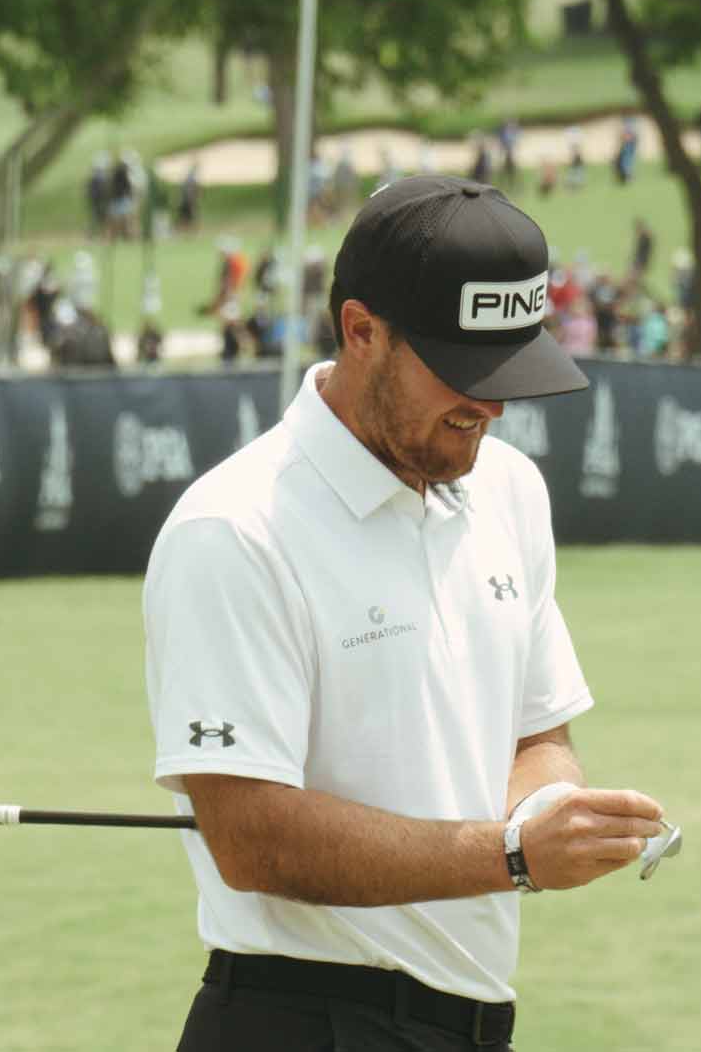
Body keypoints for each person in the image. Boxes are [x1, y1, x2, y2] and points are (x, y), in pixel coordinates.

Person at [146, 176, 669, 1052]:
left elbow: (535, 734)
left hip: (468, 1020)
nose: (492, 406)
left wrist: (544, 815)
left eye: (511, 370)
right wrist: (507, 858)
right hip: (298, 1020)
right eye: (464, 371)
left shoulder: (509, 491)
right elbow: (250, 837)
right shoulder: (234, 528)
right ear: (361, 332)